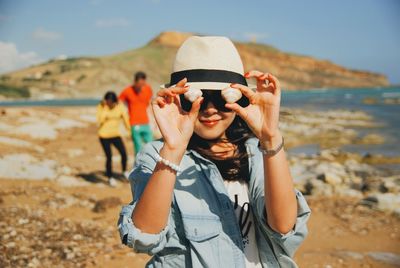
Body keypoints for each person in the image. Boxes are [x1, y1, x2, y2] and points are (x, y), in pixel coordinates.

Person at [118, 36, 311, 267]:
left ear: (240, 97)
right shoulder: (156, 154)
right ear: (178, 98)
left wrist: (270, 139)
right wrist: (173, 149)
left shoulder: (257, 151)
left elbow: (283, 227)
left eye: (221, 98)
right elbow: (143, 237)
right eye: (197, 99)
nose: (210, 109)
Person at [96, 91, 130, 187]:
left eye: (112, 102)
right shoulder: (101, 107)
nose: (111, 104)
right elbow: (100, 120)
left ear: (115, 101)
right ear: (106, 101)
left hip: (115, 135)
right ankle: (110, 177)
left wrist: (129, 131)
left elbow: (125, 118)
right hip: (104, 136)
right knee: (109, 157)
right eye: (108, 102)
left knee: (124, 153)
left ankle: (124, 171)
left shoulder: (119, 106)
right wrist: (105, 108)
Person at [119, 71, 153, 156]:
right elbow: (119, 101)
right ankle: (138, 167)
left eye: (143, 84)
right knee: (138, 148)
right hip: (134, 123)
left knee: (151, 145)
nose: (141, 86)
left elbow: (150, 102)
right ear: (135, 82)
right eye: (140, 84)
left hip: (146, 122)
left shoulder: (148, 88)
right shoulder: (127, 91)